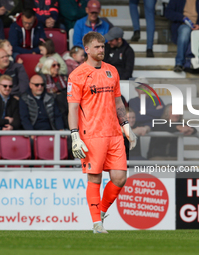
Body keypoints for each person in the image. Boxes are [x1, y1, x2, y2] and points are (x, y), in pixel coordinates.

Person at [67, 32, 137, 233]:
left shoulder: (112, 71)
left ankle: (101, 212)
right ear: (86, 49)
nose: (101, 50)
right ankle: (97, 223)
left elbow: (117, 101)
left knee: (120, 178)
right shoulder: (77, 75)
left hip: (114, 133)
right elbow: (72, 108)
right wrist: (74, 135)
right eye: (97, 47)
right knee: (95, 178)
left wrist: (125, 125)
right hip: (92, 134)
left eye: (103, 47)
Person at [165, 0, 199, 72]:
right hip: (183, 24)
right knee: (185, 31)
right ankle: (179, 63)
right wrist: (182, 18)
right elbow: (168, 12)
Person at [41, 57, 68, 128]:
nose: (57, 67)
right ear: (48, 67)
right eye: (54, 65)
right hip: (50, 101)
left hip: (64, 101)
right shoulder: (43, 78)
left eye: (58, 65)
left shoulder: (63, 78)